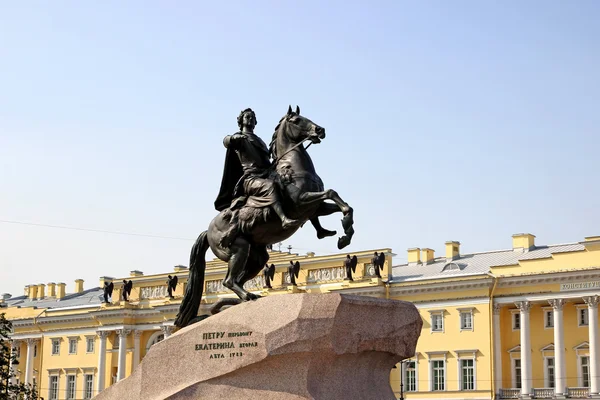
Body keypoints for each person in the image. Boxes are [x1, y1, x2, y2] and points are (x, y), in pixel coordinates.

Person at [214, 108, 299, 246]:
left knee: (289, 184)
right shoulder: (240, 137)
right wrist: (232, 138)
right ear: (241, 121)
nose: (250, 119)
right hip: (251, 178)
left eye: (253, 117)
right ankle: (283, 219)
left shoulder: (259, 141)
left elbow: (265, 162)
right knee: (270, 186)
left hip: (265, 173)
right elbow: (226, 141)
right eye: (247, 117)